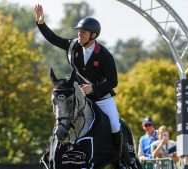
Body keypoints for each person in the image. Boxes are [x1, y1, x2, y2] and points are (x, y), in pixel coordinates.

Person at [34, 4, 123, 166]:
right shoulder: (73, 45)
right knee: (62, 118)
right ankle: (53, 156)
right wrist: (41, 24)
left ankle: (119, 158)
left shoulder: (104, 55)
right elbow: (54, 39)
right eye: (79, 31)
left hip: (101, 97)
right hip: (80, 97)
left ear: (93, 35)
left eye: (83, 32)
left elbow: (113, 82)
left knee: (115, 124)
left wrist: (93, 88)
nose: (79, 34)